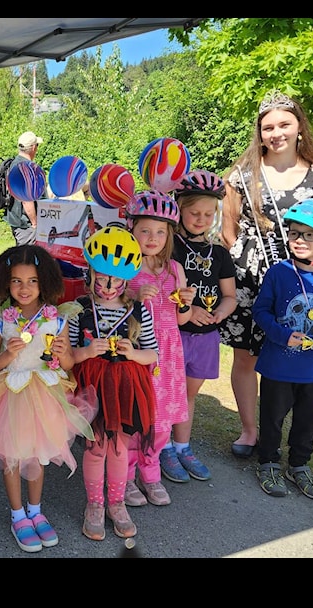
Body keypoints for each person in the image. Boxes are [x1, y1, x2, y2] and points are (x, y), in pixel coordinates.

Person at [219, 90, 313, 459]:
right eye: (268, 126)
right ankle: (251, 430)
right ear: (260, 132)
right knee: (246, 357)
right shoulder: (242, 175)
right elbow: (228, 229)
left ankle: (282, 433)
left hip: (296, 281)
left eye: (284, 124)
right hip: (251, 281)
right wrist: (247, 264)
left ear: (299, 127)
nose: (276, 132)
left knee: (291, 352)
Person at [0, 244, 95, 552]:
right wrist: (7, 354)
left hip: (45, 395)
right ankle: (17, 514)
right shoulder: (1, 319)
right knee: (13, 457)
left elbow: (68, 363)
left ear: (44, 281)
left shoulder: (57, 318)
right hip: (12, 395)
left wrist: (62, 354)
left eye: (32, 281)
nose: (24, 288)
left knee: (40, 455)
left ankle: (36, 510)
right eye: (16, 280)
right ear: (6, 281)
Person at [251, 199, 313, 500]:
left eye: (310, 235)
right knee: (272, 417)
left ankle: (300, 465)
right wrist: (281, 334)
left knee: (308, 421)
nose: (300, 241)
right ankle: (268, 462)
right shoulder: (278, 273)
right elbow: (261, 311)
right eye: (295, 233)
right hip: (278, 365)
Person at [68, 227, 158, 541]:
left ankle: (116, 503)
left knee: (119, 449)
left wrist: (135, 353)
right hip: (92, 388)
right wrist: (83, 352)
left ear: (126, 281)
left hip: (124, 388)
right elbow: (66, 356)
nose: (107, 287)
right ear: (90, 274)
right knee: (95, 448)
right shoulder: (79, 309)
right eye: (101, 278)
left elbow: (153, 354)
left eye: (115, 281)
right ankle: (94, 504)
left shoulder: (138, 311)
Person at [123, 190, 195, 504]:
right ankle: (124, 477)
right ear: (132, 231)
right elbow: (110, 309)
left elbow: (183, 319)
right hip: (138, 350)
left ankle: (150, 475)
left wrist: (185, 303)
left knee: (161, 419)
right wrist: (135, 298)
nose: (153, 237)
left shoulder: (174, 270)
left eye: (160, 232)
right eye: (145, 231)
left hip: (168, 353)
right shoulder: (124, 268)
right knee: (134, 415)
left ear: (169, 235)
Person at [167, 171, 238, 482]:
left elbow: (230, 296)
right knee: (168, 391)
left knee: (188, 395)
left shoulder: (220, 253)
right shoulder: (169, 248)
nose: (201, 219)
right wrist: (187, 308)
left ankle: (182, 446)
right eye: (194, 212)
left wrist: (220, 312)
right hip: (175, 332)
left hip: (206, 336)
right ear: (179, 209)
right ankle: (162, 447)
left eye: (208, 214)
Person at [4, 131, 43, 245]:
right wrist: (34, 223)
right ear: (33, 147)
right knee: (26, 258)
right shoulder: (28, 169)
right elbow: (27, 200)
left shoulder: (13, 164)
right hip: (26, 224)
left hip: (15, 219)